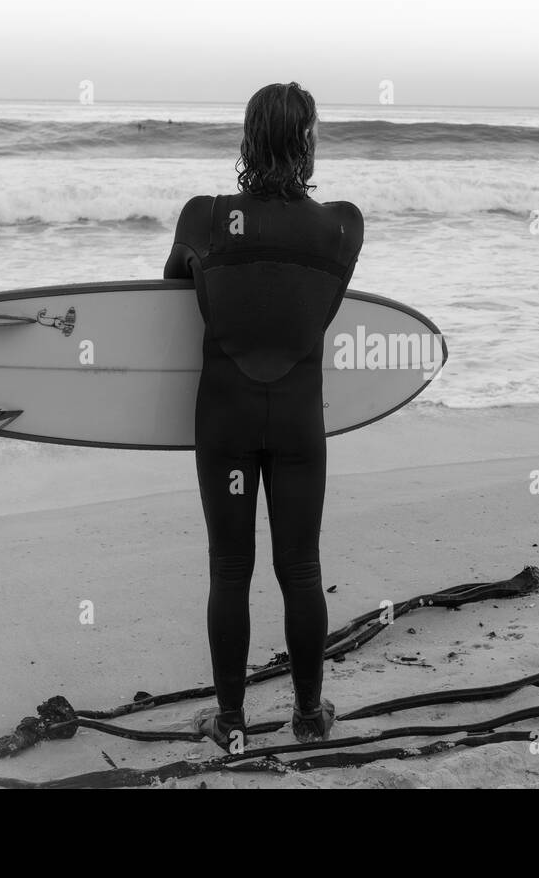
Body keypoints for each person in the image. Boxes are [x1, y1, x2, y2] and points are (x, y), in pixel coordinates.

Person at [164, 83, 364, 750]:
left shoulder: (205, 218)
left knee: (230, 566)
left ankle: (230, 721)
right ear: (307, 142)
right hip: (299, 425)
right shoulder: (342, 226)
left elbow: (171, 291)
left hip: (226, 418)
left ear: (248, 140)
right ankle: (309, 715)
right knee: (300, 566)